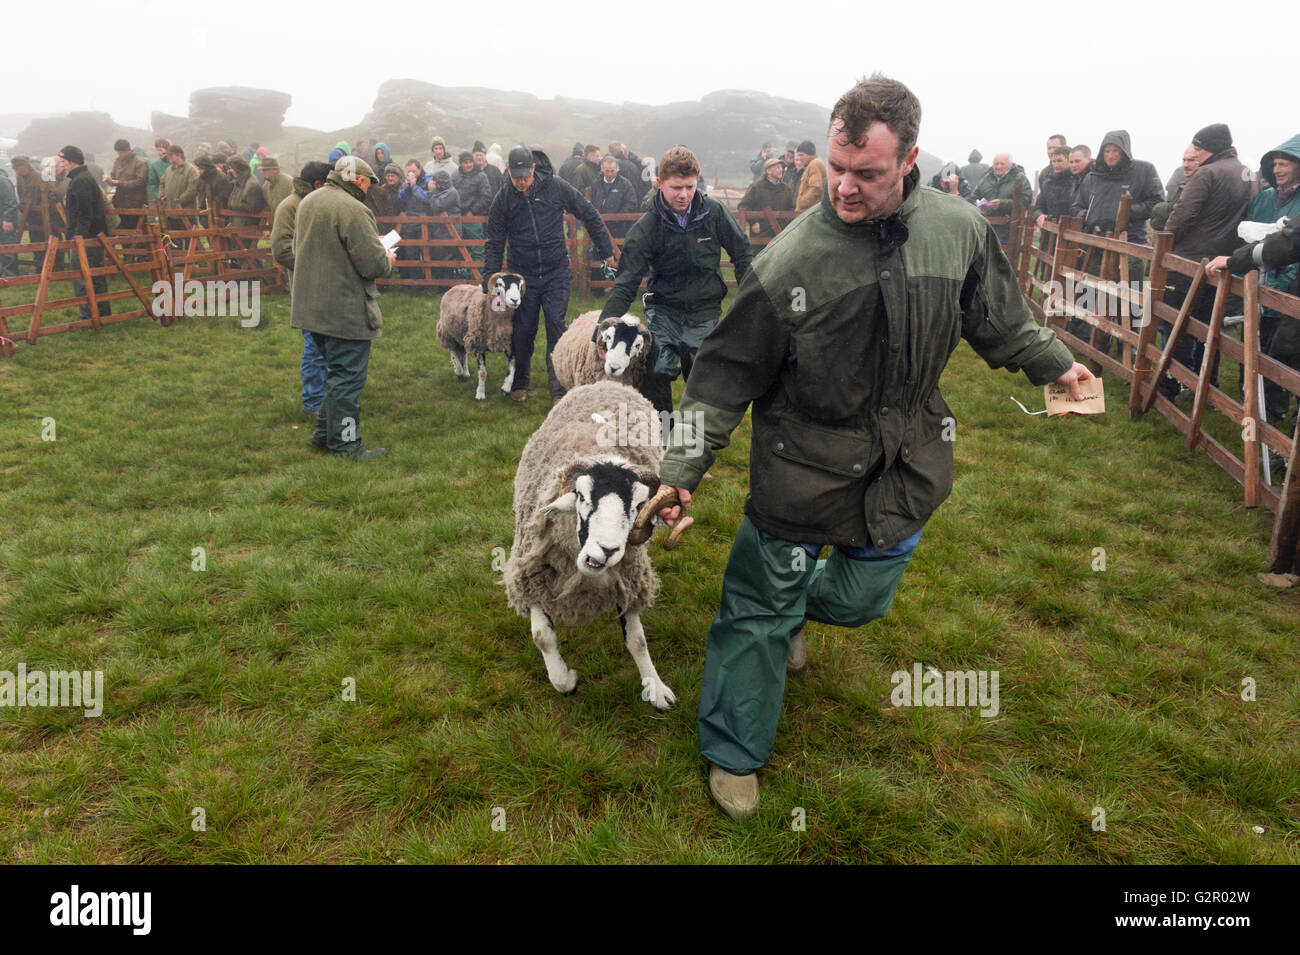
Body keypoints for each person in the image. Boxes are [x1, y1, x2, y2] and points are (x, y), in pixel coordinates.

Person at [651, 74, 1090, 819]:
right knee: (757, 608)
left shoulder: (957, 229)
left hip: (907, 464)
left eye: (868, 173)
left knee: (859, 601)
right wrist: (680, 467)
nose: (845, 188)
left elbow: (998, 317)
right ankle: (733, 751)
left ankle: (797, 615)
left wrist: (1054, 360)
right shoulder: (791, 262)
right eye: (838, 168)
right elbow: (720, 378)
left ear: (910, 159)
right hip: (801, 471)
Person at [599, 145, 752, 425]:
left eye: (690, 187)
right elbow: (625, 283)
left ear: (697, 182)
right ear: (660, 184)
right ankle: (664, 435)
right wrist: (602, 327)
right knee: (655, 369)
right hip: (664, 308)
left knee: (702, 375)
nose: (684, 195)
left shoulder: (714, 213)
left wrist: (749, 304)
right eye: (676, 187)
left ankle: (695, 443)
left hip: (704, 308)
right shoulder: (648, 227)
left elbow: (742, 254)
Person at [483, 145, 614, 402]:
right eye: (515, 177)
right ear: (508, 170)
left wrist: (606, 250)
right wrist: (489, 280)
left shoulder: (556, 186)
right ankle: (520, 382)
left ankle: (558, 388)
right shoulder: (503, 200)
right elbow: (494, 242)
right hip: (523, 276)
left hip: (556, 271)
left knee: (556, 327)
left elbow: (588, 213)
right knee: (523, 330)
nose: (521, 182)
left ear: (533, 169)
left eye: (525, 176)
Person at [290, 155, 396, 460]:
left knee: (334, 376)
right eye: (368, 184)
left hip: (311, 309)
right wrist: (386, 259)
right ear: (359, 180)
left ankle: (324, 434)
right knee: (347, 381)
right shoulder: (354, 209)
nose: (368, 191)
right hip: (344, 310)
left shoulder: (309, 201)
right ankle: (347, 445)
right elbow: (372, 263)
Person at [1208, 135, 1300, 428]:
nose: (1278, 170)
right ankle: (1250, 406)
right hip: (1256, 286)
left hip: (1286, 290)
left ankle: (1273, 413)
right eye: (1274, 164)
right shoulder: (1263, 198)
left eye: (1284, 164)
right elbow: (1249, 236)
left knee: (1280, 353)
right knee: (1250, 348)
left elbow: (1287, 245)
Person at [1158, 124, 1251, 400]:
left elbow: (1182, 214)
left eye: (1197, 148)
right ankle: (1205, 384)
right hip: (1223, 262)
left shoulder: (1207, 172)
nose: (1195, 154)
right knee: (1209, 325)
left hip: (1190, 260)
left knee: (1176, 323)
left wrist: (1168, 242)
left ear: (1209, 147)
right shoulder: (1247, 173)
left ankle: (1171, 384)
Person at [273, 160, 332, 419]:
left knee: (329, 342)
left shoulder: (320, 203)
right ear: (318, 184)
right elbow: (281, 250)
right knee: (314, 344)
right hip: (307, 286)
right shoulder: (289, 208)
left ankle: (328, 394)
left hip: (329, 284)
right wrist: (313, 268)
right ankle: (313, 402)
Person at [1069, 131, 1163, 244]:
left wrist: (1126, 211)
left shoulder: (1144, 170)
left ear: (1124, 151)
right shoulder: (1092, 176)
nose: (1110, 156)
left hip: (1130, 242)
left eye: (1115, 151)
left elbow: (1156, 202)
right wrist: (1088, 215)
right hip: (1094, 242)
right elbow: (1076, 206)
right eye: (1107, 151)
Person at [59, 145, 113, 320]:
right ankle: (102, 312)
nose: (62, 165)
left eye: (64, 161)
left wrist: (78, 237)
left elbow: (84, 212)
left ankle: (88, 315)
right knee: (96, 275)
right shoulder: (83, 177)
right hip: (93, 234)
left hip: (86, 237)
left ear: (72, 162)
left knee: (83, 276)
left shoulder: (80, 180)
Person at [587, 153, 638, 289]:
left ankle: (618, 286)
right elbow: (590, 203)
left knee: (619, 256)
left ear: (617, 170)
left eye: (612, 171)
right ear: (602, 169)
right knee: (599, 256)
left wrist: (616, 218)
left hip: (620, 229)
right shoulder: (595, 184)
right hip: (599, 229)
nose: (609, 174)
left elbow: (631, 203)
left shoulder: (625, 185)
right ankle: (598, 288)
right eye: (607, 170)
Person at [971, 152, 1032, 243]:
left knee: (1005, 256)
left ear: (1010, 165)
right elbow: (973, 197)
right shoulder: (986, 178)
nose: (998, 167)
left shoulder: (1020, 178)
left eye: (1002, 164)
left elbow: (1026, 201)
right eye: (996, 164)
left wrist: (1003, 204)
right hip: (985, 229)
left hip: (1009, 231)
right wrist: (979, 206)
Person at [453, 150, 491, 272]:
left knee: (477, 249)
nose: (468, 165)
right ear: (461, 164)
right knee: (461, 248)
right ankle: (462, 278)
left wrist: (473, 211)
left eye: (470, 162)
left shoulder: (481, 176)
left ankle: (478, 279)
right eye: (465, 162)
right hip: (458, 218)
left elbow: (486, 196)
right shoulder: (455, 175)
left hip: (474, 219)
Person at [738, 156, 795, 238]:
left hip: (781, 236)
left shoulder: (786, 189)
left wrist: (786, 225)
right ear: (768, 171)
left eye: (781, 168)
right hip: (761, 235)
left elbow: (791, 209)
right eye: (777, 168)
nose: (781, 170)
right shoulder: (756, 187)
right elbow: (743, 206)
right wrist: (753, 222)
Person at [1150, 146, 1202, 232]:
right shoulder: (1179, 174)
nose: (1185, 165)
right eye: (1184, 160)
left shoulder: (1209, 180)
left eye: (1191, 160)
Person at [107, 139, 148, 230]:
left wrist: (119, 183)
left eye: (120, 152)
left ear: (126, 150)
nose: (119, 155)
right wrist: (109, 180)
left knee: (136, 233)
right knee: (122, 233)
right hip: (119, 203)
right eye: (117, 152)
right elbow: (113, 175)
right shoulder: (117, 162)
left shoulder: (140, 164)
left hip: (135, 204)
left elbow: (140, 182)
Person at [159, 145, 200, 231]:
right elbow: (162, 183)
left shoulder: (191, 170)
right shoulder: (168, 169)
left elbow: (192, 190)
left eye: (171, 155)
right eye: (168, 155)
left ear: (179, 155)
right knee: (174, 241)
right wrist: (162, 195)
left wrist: (178, 201)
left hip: (186, 212)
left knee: (190, 240)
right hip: (170, 212)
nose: (168, 157)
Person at [1034, 145, 1075, 227]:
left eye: (1060, 161)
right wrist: (1039, 215)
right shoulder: (1047, 183)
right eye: (1054, 161)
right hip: (1049, 232)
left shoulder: (1076, 182)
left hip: (1070, 230)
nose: (1056, 164)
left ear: (1069, 160)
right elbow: (1039, 207)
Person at [793, 139, 827, 214]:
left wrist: (802, 202)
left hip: (809, 210)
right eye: (798, 155)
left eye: (801, 155)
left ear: (809, 155)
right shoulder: (812, 164)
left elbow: (816, 188)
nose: (800, 158)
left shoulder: (814, 164)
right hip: (810, 210)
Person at [0, 169, 17, 277]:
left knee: (8, 247)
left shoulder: (3, 181)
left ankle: (10, 275)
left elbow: (11, 201)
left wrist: (7, 219)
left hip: (4, 220)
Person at [148, 139, 170, 204]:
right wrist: (159, 196)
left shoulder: (175, 162)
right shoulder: (154, 165)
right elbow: (153, 184)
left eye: (161, 150)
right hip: (162, 199)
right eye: (157, 150)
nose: (159, 152)